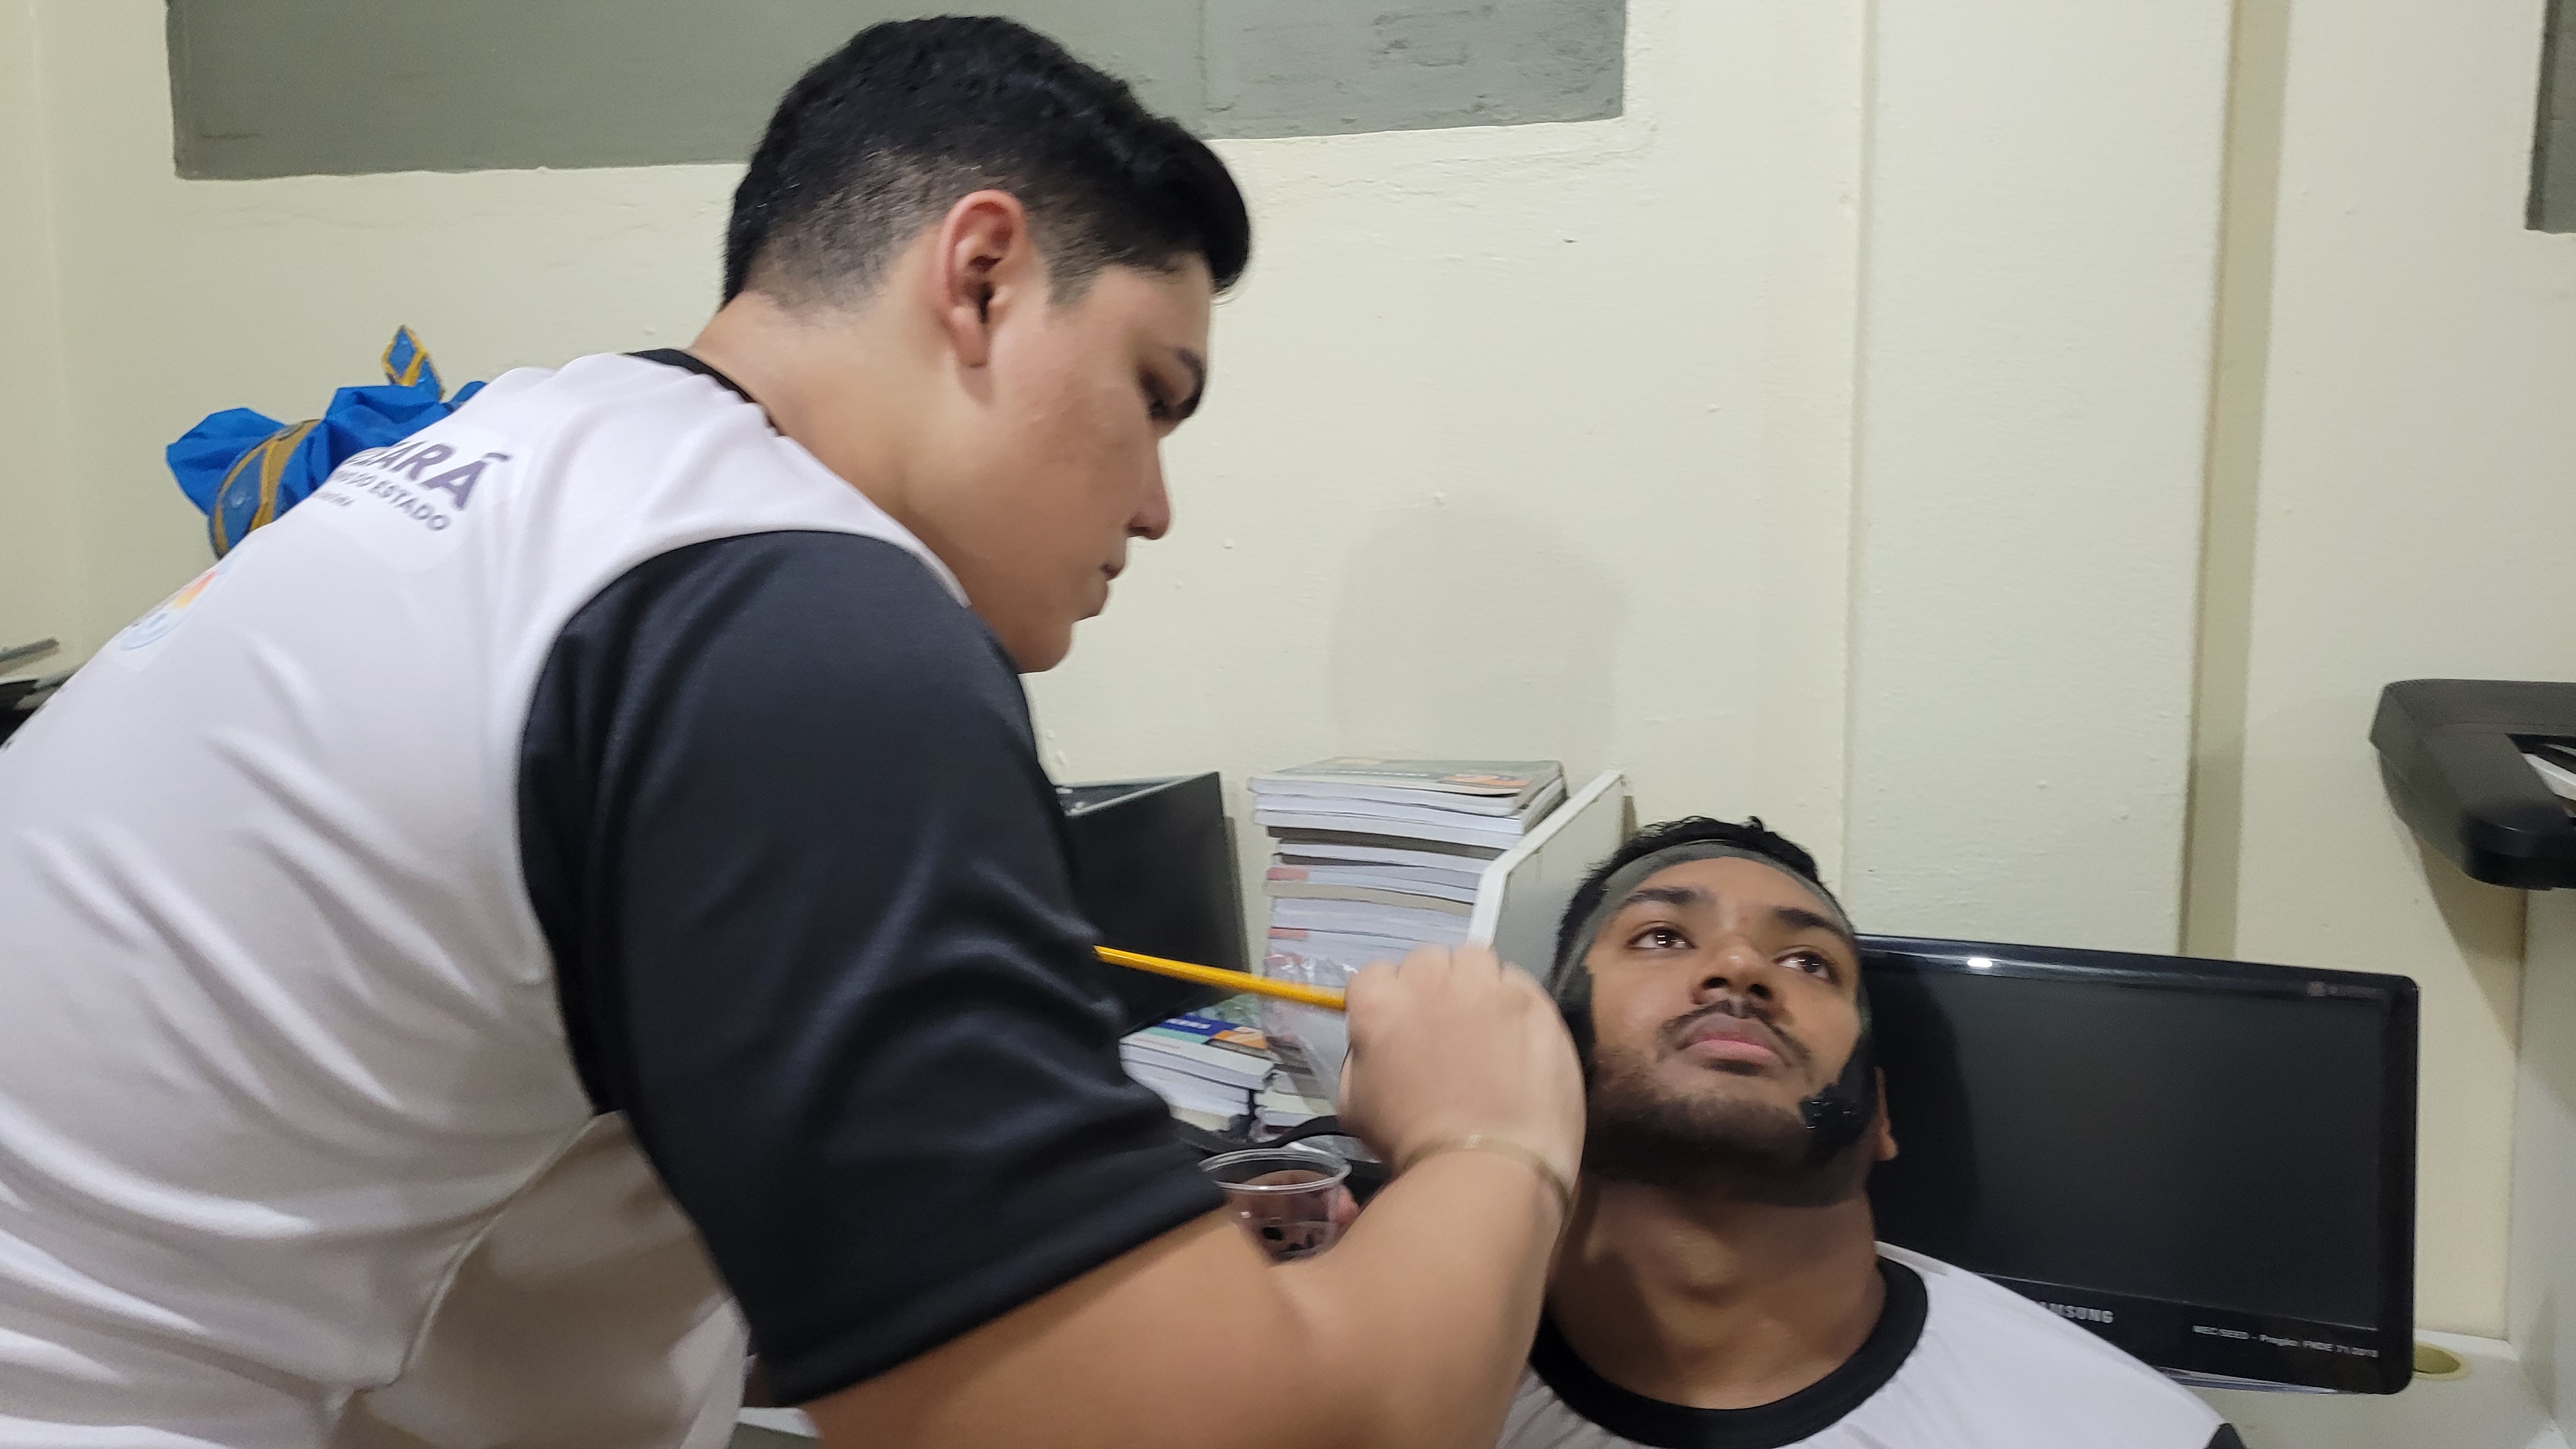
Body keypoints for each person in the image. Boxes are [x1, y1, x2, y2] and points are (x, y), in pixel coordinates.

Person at [0, 19, 1584, 1448]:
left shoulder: (542, 456)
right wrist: (1493, 1132)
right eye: (1152, 393)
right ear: (981, 276)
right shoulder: (794, 634)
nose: (1158, 506)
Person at [1499, 817, 2246, 1449]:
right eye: (1662, 937)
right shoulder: (1429, 1371)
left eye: (1808, 961)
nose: (1739, 966)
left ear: (1880, 1110)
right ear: (1542, 1052)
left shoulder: (2135, 1435)